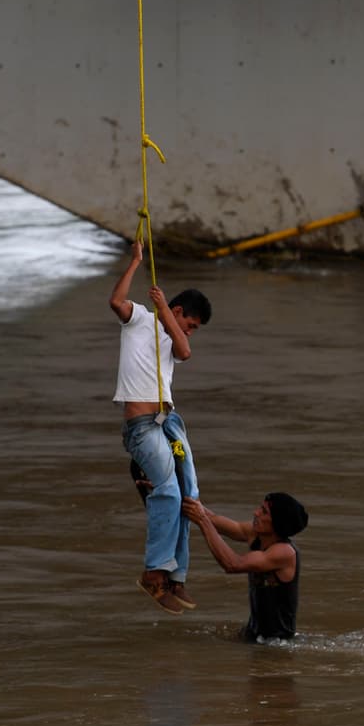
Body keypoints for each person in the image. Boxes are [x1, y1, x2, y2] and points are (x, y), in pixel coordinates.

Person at [110, 240, 212, 616]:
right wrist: (136, 263)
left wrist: (169, 315)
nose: (190, 332)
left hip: (169, 424)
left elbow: (184, 350)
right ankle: (153, 573)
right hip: (142, 427)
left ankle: (176, 575)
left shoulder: (173, 337)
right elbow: (115, 301)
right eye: (191, 324)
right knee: (167, 493)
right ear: (179, 311)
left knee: (189, 493)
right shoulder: (140, 318)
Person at [182, 493, 308, 642]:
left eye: (264, 512)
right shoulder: (256, 534)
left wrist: (202, 521)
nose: (256, 513)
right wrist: (173, 491)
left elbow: (232, 564)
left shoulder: (284, 552)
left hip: (276, 644)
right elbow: (213, 519)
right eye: (261, 508)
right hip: (253, 635)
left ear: (277, 524)